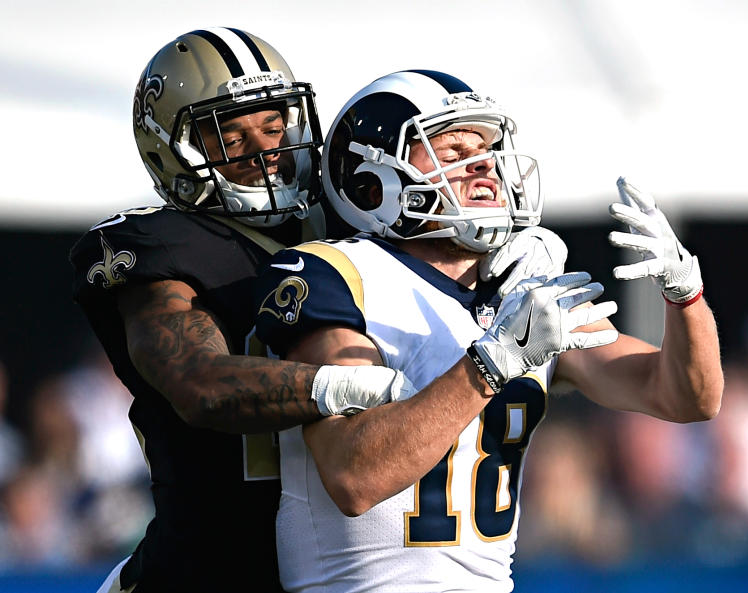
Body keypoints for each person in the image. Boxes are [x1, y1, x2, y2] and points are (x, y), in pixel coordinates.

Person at [69, 32, 566, 592]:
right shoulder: (163, 247)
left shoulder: (349, 231)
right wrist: (339, 387)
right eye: (231, 136)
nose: (264, 151)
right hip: (201, 567)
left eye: (274, 127)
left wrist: (501, 257)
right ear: (173, 150)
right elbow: (198, 382)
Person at [255, 70, 724, 592]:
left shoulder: (523, 290)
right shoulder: (337, 275)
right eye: (453, 147)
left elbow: (685, 396)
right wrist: (493, 361)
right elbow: (354, 477)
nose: (484, 164)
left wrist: (686, 294)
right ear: (373, 181)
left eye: (487, 147)